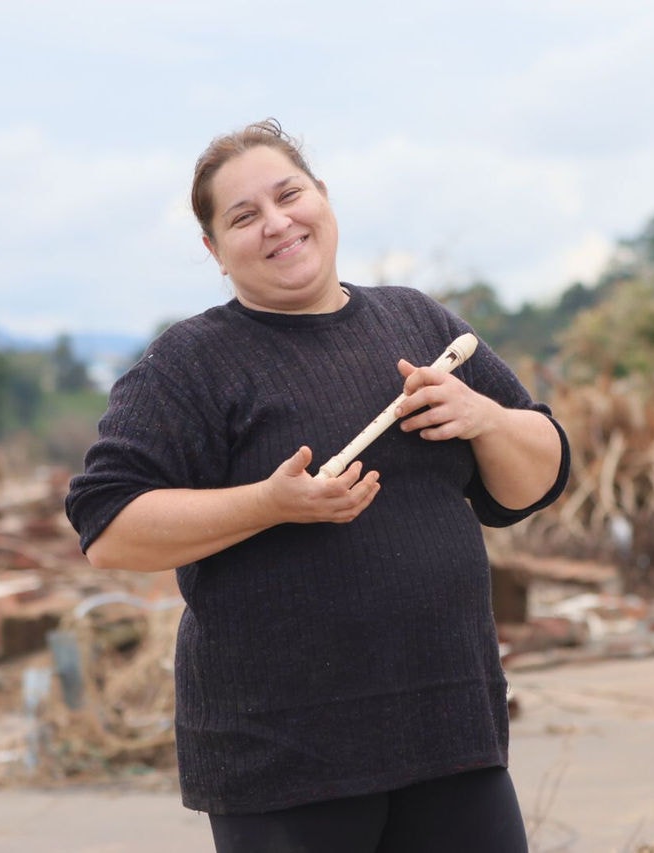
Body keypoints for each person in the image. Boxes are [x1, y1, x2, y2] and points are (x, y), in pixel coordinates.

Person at [65, 118, 570, 853]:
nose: (277, 223)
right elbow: (107, 528)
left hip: (452, 732)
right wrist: (270, 505)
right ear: (214, 250)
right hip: (282, 758)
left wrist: (483, 416)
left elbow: (541, 473)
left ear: (323, 198)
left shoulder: (416, 320)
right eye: (243, 216)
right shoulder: (191, 363)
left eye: (288, 194)